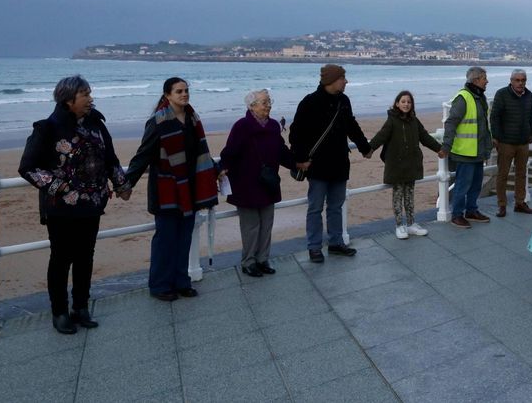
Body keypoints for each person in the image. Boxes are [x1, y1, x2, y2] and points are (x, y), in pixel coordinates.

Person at [19, 75, 131, 333]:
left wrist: (121, 185)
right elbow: (27, 167)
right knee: (61, 258)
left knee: (85, 256)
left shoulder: (97, 126)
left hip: (92, 204)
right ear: (68, 99)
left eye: (90, 94)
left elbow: (110, 159)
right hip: (61, 208)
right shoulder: (47, 128)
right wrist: (59, 187)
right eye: (85, 95)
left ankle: (80, 307)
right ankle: (59, 312)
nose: (91, 99)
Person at [126, 77, 220, 300]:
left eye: (186, 90)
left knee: (184, 238)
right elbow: (143, 155)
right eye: (179, 91)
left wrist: (215, 169)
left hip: (190, 189)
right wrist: (127, 183)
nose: (184, 94)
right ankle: (160, 286)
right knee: (165, 240)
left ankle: (181, 282)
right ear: (167, 95)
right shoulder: (157, 122)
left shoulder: (192, 119)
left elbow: (200, 151)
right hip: (166, 191)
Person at [290, 64, 372, 262]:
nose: (346, 81)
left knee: (336, 206)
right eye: (343, 78)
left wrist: (364, 147)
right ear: (331, 80)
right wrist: (301, 159)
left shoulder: (344, 101)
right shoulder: (309, 102)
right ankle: (314, 247)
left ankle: (335, 243)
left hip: (339, 163)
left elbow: (351, 125)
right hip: (317, 166)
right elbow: (296, 133)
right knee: (315, 207)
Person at [220, 89, 303, 276]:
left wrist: (295, 163)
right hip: (245, 184)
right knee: (250, 227)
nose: (268, 105)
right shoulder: (242, 126)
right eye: (264, 102)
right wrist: (222, 168)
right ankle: (248, 262)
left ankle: (262, 259)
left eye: (269, 101)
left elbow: (281, 151)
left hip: (268, 182)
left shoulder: (273, 126)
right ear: (252, 106)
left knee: (267, 224)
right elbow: (229, 152)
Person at [368, 91, 445, 238]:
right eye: (403, 101)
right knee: (398, 196)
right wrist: (369, 149)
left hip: (412, 164)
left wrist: (438, 149)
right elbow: (381, 136)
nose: (406, 104)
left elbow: (425, 137)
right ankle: (399, 226)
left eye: (409, 102)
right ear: (397, 104)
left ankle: (411, 224)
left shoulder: (414, 121)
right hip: (396, 165)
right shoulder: (391, 120)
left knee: (409, 196)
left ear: (412, 105)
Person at [442, 66, 494, 229]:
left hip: (478, 151)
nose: (487, 81)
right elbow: (451, 123)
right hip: (465, 152)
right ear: (476, 80)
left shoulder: (480, 98)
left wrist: (489, 145)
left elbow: (483, 125)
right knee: (462, 185)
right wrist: (446, 145)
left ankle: (471, 210)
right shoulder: (463, 98)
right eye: (484, 78)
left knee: (476, 184)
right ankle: (457, 214)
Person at [490, 69, 532, 217]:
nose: (520, 83)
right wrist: (496, 137)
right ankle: (502, 205)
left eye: (523, 80)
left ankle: (519, 203)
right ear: (511, 80)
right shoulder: (501, 94)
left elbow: (531, 116)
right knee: (503, 174)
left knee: (521, 174)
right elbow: (494, 117)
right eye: (517, 80)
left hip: (523, 142)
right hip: (506, 142)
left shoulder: (529, 95)